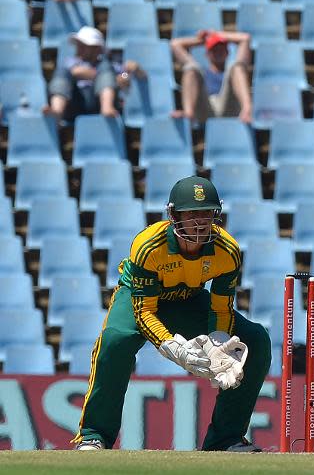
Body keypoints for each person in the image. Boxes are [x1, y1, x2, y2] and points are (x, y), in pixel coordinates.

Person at [73, 176, 272, 451]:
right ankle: (94, 435)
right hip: (139, 296)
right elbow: (145, 311)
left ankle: (225, 439)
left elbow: (220, 306)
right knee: (115, 340)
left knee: (256, 338)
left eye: (206, 213)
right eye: (191, 213)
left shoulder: (228, 251)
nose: (200, 221)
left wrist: (218, 341)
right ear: (173, 214)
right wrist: (171, 346)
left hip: (189, 297)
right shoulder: (148, 245)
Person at [170, 30, 253, 125]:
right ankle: (189, 115)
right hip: (205, 109)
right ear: (207, 54)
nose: (218, 52)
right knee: (191, 68)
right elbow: (175, 44)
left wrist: (216, 34)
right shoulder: (200, 73)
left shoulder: (234, 73)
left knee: (237, 67)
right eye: (214, 50)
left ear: (227, 52)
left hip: (230, 109)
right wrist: (202, 40)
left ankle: (247, 110)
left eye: (221, 49)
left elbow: (245, 38)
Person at [44, 26, 121, 121]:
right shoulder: (71, 62)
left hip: (97, 101)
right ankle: (57, 112)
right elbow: (69, 74)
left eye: (84, 46)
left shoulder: (106, 65)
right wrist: (76, 73)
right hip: (75, 101)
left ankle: (107, 107)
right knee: (62, 72)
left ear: (96, 49)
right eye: (78, 45)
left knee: (105, 68)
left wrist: (119, 76)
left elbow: (124, 73)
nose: (79, 49)